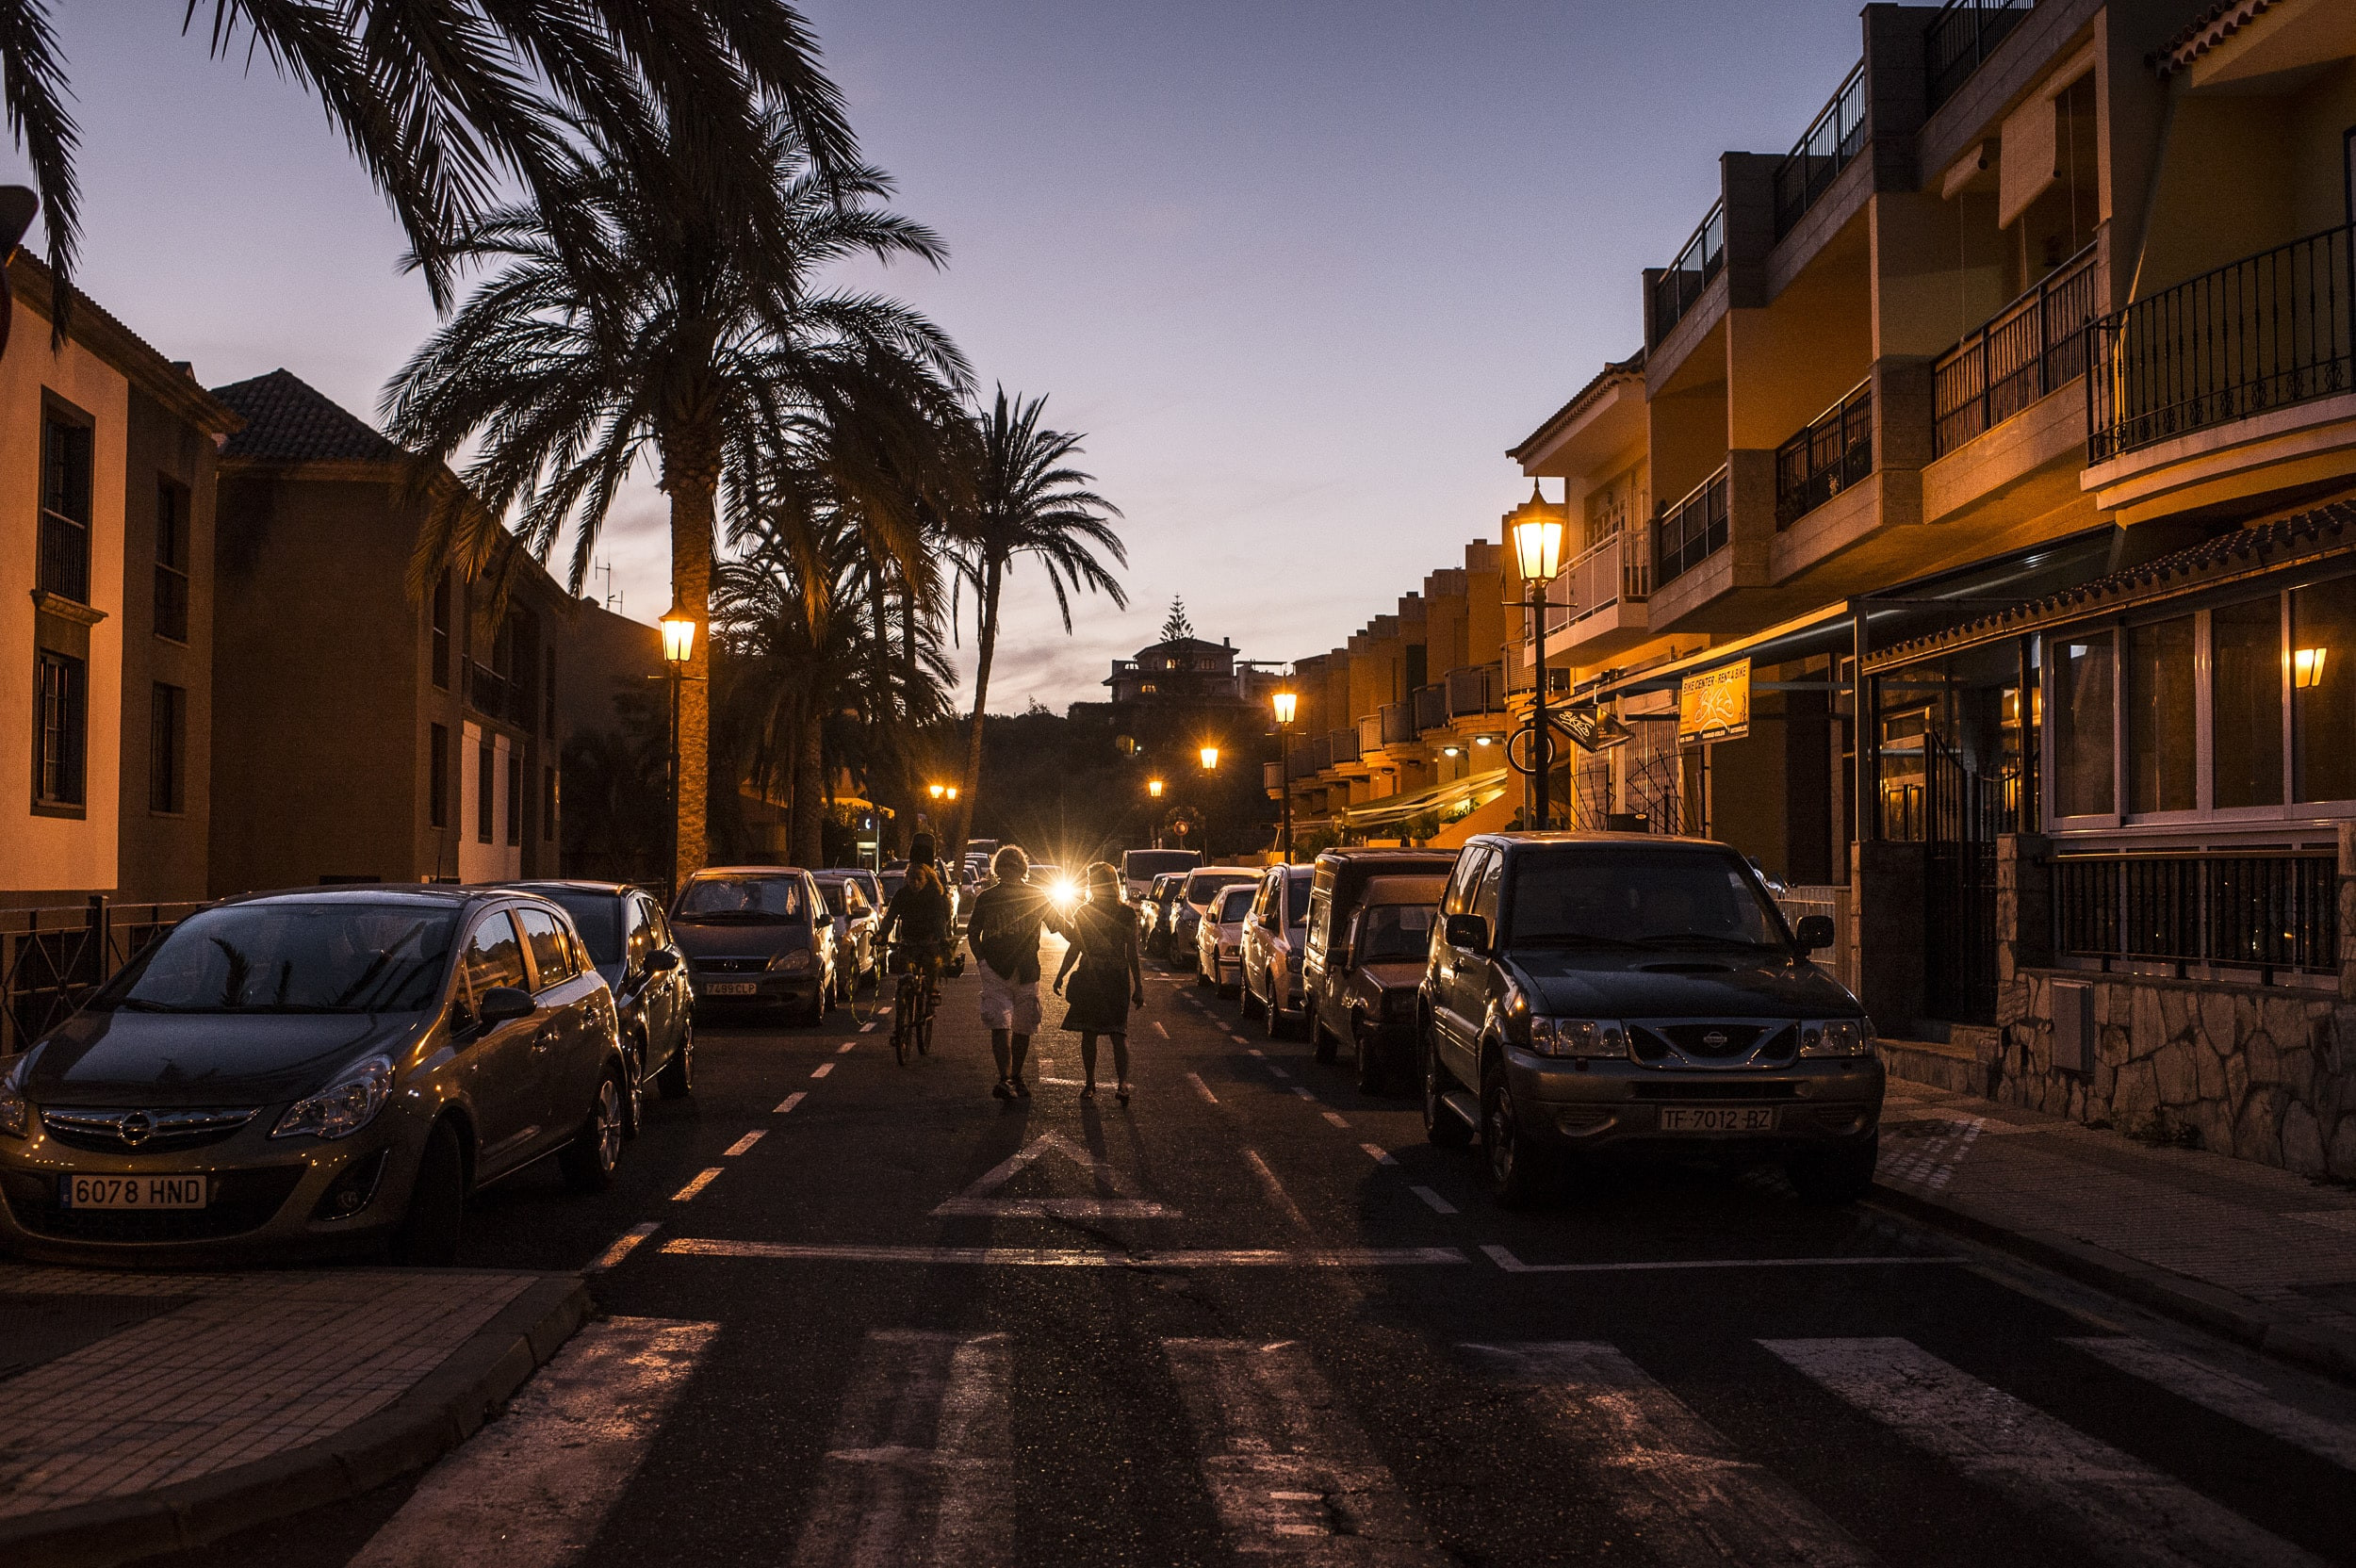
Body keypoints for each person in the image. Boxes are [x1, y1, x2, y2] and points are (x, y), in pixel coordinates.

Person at [964, 844, 1060, 1098]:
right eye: (1005, 867)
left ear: (1021, 869)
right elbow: (973, 932)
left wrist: (1084, 930)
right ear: (998, 870)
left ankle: (1015, 1075)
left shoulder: (1037, 895)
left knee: (1023, 1026)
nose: (1009, 872)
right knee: (999, 1023)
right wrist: (982, 962)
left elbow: (1056, 924)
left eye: (1014, 867)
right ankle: (1004, 1077)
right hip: (996, 969)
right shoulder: (987, 898)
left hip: (1027, 969)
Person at [1053, 862, 1146, 1102]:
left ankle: (1095, 1083)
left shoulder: (1088, 911)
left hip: (1097, 977)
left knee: (1095, 1033)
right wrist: (1138, 986)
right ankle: (1116, 1083)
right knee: (1113, 1034)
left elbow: (1077, 948)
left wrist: (1061, 975)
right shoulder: (1122, 913)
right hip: (1110, 978)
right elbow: (1129, 953)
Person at [876, 833, 955, 992]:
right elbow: (890, 917)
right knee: (902, 967)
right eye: (912, 879)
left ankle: (932, 991)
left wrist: (942, 940)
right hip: (908, 943)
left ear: (928, 879)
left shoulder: (934, 896)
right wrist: (882, 935)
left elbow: (940, 919)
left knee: (932, 967)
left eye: (919, 879)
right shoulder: (902, 895)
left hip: (929, 943)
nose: (915, 883)